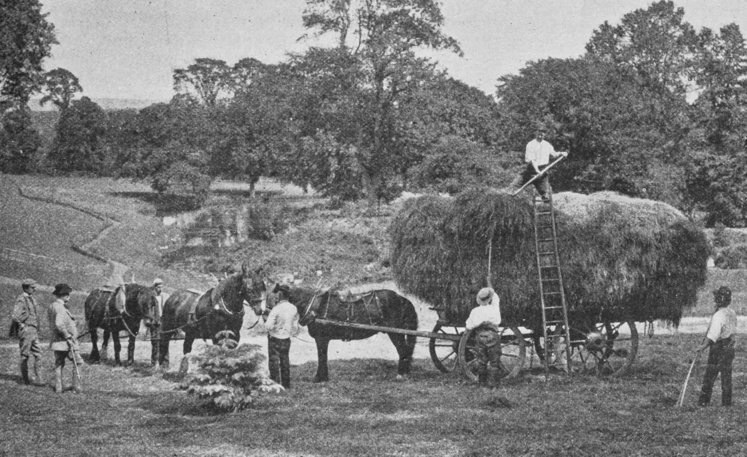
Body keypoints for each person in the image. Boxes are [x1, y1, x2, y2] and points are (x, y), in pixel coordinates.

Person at [696, 286, 737, 407]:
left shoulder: (718, 315)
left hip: (718, 348)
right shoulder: (732, 313)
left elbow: (713, 336)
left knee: (709, 375)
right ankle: (726, 403)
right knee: (726, 377)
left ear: (717, 300)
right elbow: (733, 332)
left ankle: (704, 402)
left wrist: (702, 347)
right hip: (729, 347)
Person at [514, 126, 568, 202]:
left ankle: (544, 198)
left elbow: (553, 153)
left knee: (546, 196)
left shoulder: (547, 145)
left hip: (543, 170)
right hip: (531, 170)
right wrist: (537, 170)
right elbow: (532, 160)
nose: (540, 136)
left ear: (544, 135)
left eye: (542, 135)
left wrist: (560, 153)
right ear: (536, 133)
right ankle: (508, 194)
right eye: (539, 134)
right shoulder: (530, 145)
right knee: (514, 188)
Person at [466, 287, 505, 388]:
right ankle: (493, 385)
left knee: (481, 361)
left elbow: (469, 325)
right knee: (494, 361)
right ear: (490, 299)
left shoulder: (475, 311)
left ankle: (482, 384)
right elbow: (496, 299)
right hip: (492, 336)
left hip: (480, 336)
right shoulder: (494, 309)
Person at [47, 283, 82, 394]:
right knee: (79, 362)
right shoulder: (60, 307)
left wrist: (72, 323)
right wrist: (67, 335)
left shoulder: (52, 306)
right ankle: (76, 388)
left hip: (57, 341)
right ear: (65, 295)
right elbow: (59, 324)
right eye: (68, 294)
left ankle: (58, 388)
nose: (69, 297)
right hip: (66, 342)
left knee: (59, 363)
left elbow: (57, 322)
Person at [263, 283, 299, 389]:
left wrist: (266, 317)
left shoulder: (276, 309)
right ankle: (286, 384)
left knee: (273, 360)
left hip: (274, 338)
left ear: (280, 295)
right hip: (286, 338)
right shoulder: (293, 308)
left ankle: (275, 383)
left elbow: (268, 326)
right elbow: (295, 326)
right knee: (285, 360)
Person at [12, 279, 44, 385]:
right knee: (25, 355)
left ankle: (39, 379)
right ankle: (25, 380)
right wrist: (22, 325)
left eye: (34, 287)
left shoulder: (31, 299)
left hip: (33, 330)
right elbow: (15, 316)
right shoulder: (21, 299)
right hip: (26, 330)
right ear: (26, 288)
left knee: (39, 354)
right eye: (32, 287)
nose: (34, 289)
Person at [150, 278, 169, 367]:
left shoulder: (165, 296)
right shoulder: (150, 297)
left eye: (161, 287)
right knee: (155, 343)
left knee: (165, 342)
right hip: (154, 322)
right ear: (154, 287)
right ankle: (155, 362)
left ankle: (165, 362)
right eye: (158, 287)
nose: (160, 289)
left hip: (163, 321)